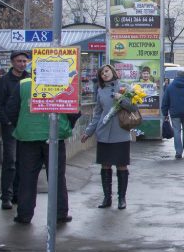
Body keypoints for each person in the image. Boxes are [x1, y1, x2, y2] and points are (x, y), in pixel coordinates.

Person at [12, 77, 76, 224]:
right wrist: (65, 126)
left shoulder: (24, 84)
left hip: (28, 137)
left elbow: (11, 109)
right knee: (57, 177)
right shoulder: (63, 82)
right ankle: (60, 213)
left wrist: (24, 125)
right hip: (55, 135)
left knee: (27, 177)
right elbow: (73, 110)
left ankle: (24, 214)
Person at [81, 64, 136, 209]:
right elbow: (97, 114)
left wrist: (121, 99)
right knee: (105, 164)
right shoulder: (100, 90)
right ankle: (107, 198)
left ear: (113, 71)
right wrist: (88, 132)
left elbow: (133, 108)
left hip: (120, 132)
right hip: (104, 133)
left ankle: (122, 199)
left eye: (106, 71)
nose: (104, 74)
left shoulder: (124, 87)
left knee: (121, 165)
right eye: (102, 73)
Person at [0, 51, 30, 210]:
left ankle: (17, 194)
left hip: (26, 125)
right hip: (11, 126)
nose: (22, 64)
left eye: (24, 61)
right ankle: (6, 196)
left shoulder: (30, 79)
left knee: (22, 161)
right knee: (10, 161)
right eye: (19, 61)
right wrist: (6, 121)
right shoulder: (4, 81)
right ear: (12, 62)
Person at [161, 70, 184, 158]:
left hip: (174, 113)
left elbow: (165, 101)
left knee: (176, 131)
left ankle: (178, 152)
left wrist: (165, 113)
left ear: (176, 76)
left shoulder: (170, 87)